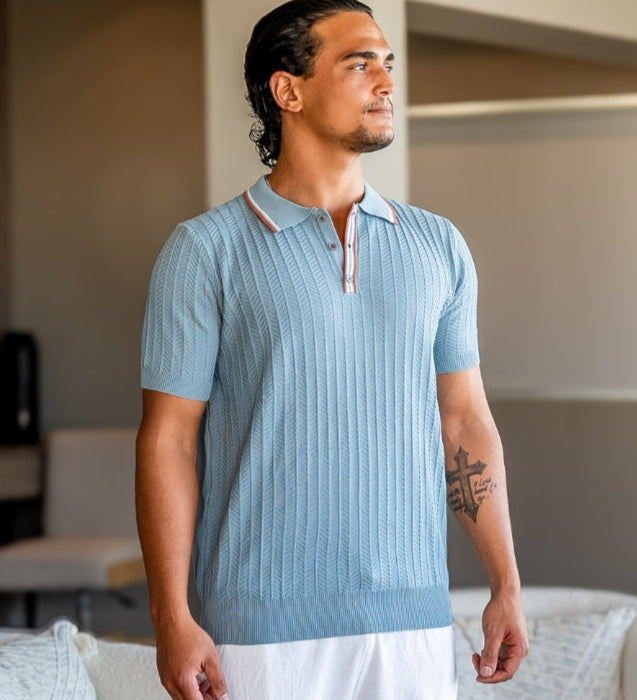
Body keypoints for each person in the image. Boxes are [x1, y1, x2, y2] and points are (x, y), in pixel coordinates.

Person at [135, 1, 529, 698]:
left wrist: (505, 583)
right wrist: (171, 615)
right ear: (288, 91)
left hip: (412, 624)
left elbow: (464, 422)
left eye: (387, 63)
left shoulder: (438, 246)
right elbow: (169, 441)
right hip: (258, 631)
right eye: (358, 63)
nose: (386, 82)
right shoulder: (204, 252)